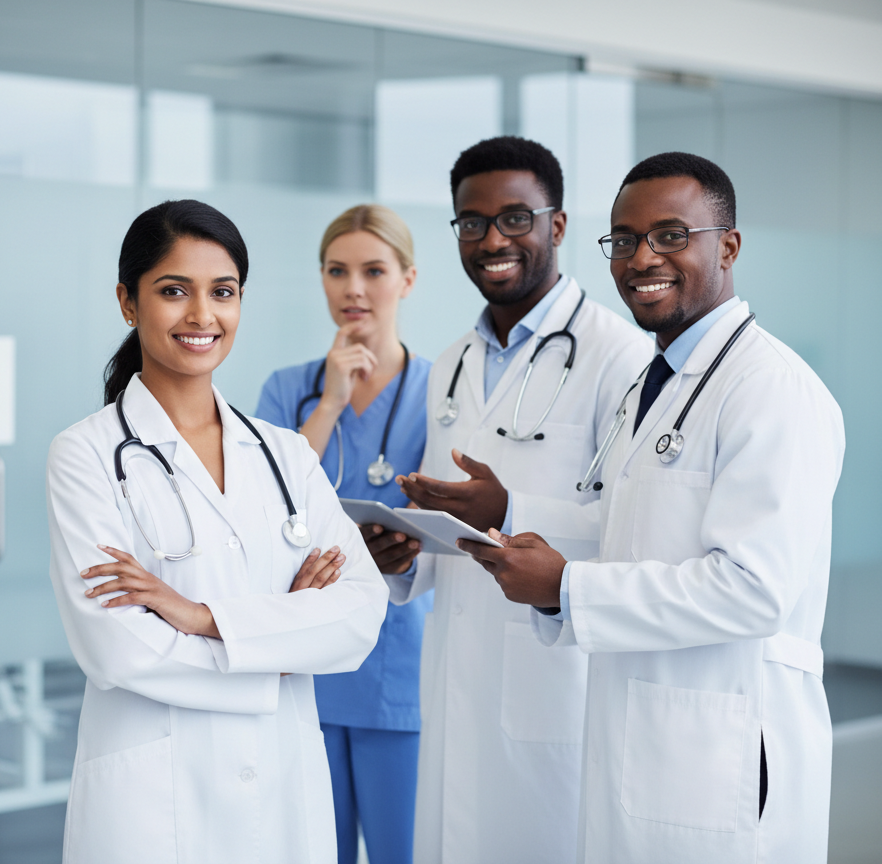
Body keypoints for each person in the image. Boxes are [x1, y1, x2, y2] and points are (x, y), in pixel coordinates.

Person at [459, 153, 844, 864]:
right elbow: (633, 530)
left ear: (727, 246)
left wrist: (566, 586)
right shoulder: (660, 381)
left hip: (723, 745)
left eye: (670, 236)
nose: (642, 259)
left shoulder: (772, 391)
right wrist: (511, 513)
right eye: (625, 240)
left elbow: (754, 589)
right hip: (644, 738)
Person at [45, 199, 389, 864]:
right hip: (156, 803)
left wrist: (202, 618)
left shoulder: (286, 455)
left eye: (222, 292)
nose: (202, 316)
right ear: (128, 301)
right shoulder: (85, 455)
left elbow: (359, 616)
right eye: (174, 291)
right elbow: (116, 648)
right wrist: (284, 641)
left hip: (285, 788)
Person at [384, 136, 652, 863]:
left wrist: (511, 514)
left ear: (556, 226)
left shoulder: (619, 357)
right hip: (456, 671)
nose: (491, 240)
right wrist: (405, 552)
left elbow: (637, 532)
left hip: (555, 674)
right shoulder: (452, 363)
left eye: (514, 219)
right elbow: (453, 530)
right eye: (471, 223)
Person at [256, 204, 432, 864]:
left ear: (407, 280)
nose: (353, 288)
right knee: (311, 850)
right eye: (337, 271)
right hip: (308, 665)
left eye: (372, 270)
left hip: (400, 666)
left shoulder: (440, 390)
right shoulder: (288, 391)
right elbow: (263, 509)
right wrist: (329, 403)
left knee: (400, 851)